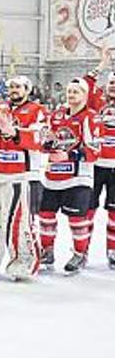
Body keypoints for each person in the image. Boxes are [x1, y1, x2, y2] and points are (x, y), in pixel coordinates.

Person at [0, 75, 46, 280]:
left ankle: (23, 263)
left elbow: (39, 139)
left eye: (18, 87)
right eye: (11, 86)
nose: (14, 90)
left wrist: (14, 131)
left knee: (20, 223)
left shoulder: (37, 110)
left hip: (21, 176)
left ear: (27, 90)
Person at [38, 77, 100, 274]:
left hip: (78, 178)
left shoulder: (90, 117)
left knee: (77, 219)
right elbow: (45, 145)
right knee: (45, 215)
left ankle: (79, 254)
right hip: (52, 175)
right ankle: (47, 251)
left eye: (76, 91)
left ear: (85, 95)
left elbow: (95, 150)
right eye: (69, 91)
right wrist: (47, 143)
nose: (71, 94)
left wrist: (70, 155)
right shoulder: (56, 115)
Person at [84, 48, 115, 269]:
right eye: (111, 82)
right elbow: (85, 84)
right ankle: (81, 250)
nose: (113, 86)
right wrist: (102, 64)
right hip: (94, 166)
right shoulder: (96, 102)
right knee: (87, 210)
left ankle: (112, 250)